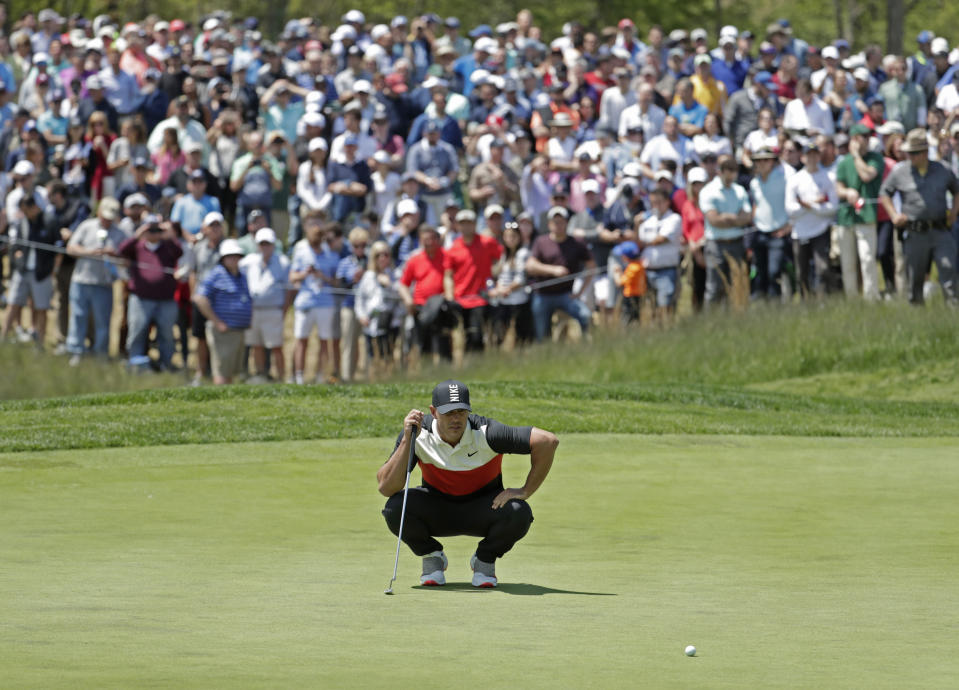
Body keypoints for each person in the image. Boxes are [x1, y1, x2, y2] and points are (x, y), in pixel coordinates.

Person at [378, 379, 559, 588]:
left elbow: (547, 441)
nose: (456, 419)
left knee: (519, 511)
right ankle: (432, 556)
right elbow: (386, 487)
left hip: (484, 509)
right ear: (433, 411)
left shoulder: (486, 432)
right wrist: (407, 440)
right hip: (437, 508)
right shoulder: (418, 434)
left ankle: (484, 559)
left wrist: (525, 491)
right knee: (394, 508)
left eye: (461, 412)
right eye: (449, 413)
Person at [879, 129, 959, 305]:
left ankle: (953, 311)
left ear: (924, 153)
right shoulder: (900, 172)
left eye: (914, 153)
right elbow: (885, 193)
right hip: (915, 232)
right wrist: (894, 214)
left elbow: (956, 190)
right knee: (915, 276)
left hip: (940, 230)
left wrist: (954, 212)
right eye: (909, 153)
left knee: (948, 268)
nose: (910, 157)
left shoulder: (942, 169)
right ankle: (917, 313)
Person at [116, 214, 183, 370]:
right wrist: (139, 233)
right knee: (137, 331)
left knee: (166, 334)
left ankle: (166, 364)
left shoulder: (168, 246)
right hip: (141, 298)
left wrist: (168, 234)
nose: (153, 232)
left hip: (166, 299)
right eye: (150, 229)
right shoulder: (138, 246)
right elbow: (122, 249)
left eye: (156, 229)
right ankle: (136, 364)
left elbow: (179, 252)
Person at [64, 198, 125, 363]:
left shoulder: (120, 233)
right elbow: (71, 248)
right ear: (99, 212)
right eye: (105, 216)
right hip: (81, 280)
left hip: (104, 284)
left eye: (110, 217)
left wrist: (115, 254)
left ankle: (100, 356)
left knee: (103, 322)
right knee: (78, 317)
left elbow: (127, 259)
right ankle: (76, 351)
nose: (107, 220)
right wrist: (91, 252)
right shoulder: (86, 226)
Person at [526, 206, 596, 342]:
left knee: (586, 316)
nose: (558, 225)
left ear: (567, 223)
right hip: (542, 295)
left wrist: (580, 292)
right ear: (549, 224)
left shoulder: (576, 243)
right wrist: (553, 270)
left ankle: (587, 345)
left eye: (561, 221)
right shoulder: (541, 241)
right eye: (555, 222)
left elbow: (592, 266)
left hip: (566, 294)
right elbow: (530, 266)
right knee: (542, 334)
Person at [193, 239, 252, 385]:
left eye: (236, 255)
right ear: (223, 258)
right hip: (223, 331)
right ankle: (221, 402)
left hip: (238, 330)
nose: (234, 259)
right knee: (222, 371)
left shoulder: (242, 275)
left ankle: (228, 401)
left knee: (231, 371)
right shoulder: (217, 274)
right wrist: (217, 322)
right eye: (230, 256)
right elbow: (199, 297)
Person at [834, 123, 882, 301]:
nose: (868, 140)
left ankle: (871, 297)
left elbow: (866, 175)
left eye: (869, 136)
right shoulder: (843, 163)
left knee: (868, 259)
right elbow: (838, 188)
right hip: (846, 219)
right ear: (854, 139)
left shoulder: (875, 158)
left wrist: (855, 155)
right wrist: (847, 192)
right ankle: (852, 298)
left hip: (867, 217)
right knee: (848, 263)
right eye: (864, 137)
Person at [1, 196, 57, 347]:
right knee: (13, 303)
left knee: (42, 308)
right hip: (22, 270)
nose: (24, 213)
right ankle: (3, 338)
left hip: (41, 273)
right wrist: (17, 258)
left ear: (34, 207)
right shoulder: (22, 222)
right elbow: (15, 246)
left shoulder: (49, 221)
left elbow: (57, 248)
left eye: (26, 210)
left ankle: (40, 344)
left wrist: (52, 270)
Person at [785, 142, 839, 299]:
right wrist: (813, 203)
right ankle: (804, 299)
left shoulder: (829, 177)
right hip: (800, 231)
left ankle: (822, 298)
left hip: (821, 229)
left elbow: (832, 207)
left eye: (815, 154)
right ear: (802, 158)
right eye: (809, 155)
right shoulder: (795, 180)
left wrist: (809, 205)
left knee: (822, 268)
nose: (812, 158)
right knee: (801, 271)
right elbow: (790, 209)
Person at [239, 227, 291, 383]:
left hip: (273, 309)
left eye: (267, 244)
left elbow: (289, 289)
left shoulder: (283, 262)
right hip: (253, 310)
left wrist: (284, 309)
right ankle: (261, 375)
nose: (265, 247)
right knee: (256, 345)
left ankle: (282, 377)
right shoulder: (248, 262)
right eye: (262, 244)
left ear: (274, 245)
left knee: (276, 346)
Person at [699, 156, 752, 306]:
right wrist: (736, 219)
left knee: (737, 283)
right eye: (728, 171)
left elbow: (747, 217)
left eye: (734, 171)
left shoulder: (740, 190)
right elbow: (714, 220)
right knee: (715, 287)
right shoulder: (708, 191)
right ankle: (711, 320)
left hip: (736, 242)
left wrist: (728, 218)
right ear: (720, 172)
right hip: (716, 244)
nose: (732, 175)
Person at [748, 148, 791, 300]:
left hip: (778, 232)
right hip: (760, 232)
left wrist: (789, 225)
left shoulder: (783, 179)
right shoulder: (754, 183)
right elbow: (757, 205)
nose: (762, 163)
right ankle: (766, 305)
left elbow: (792, 202)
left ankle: (777, 302)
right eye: (758, 160)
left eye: (766, 160)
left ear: (772, 161)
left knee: (774, 271)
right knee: (761, 272)